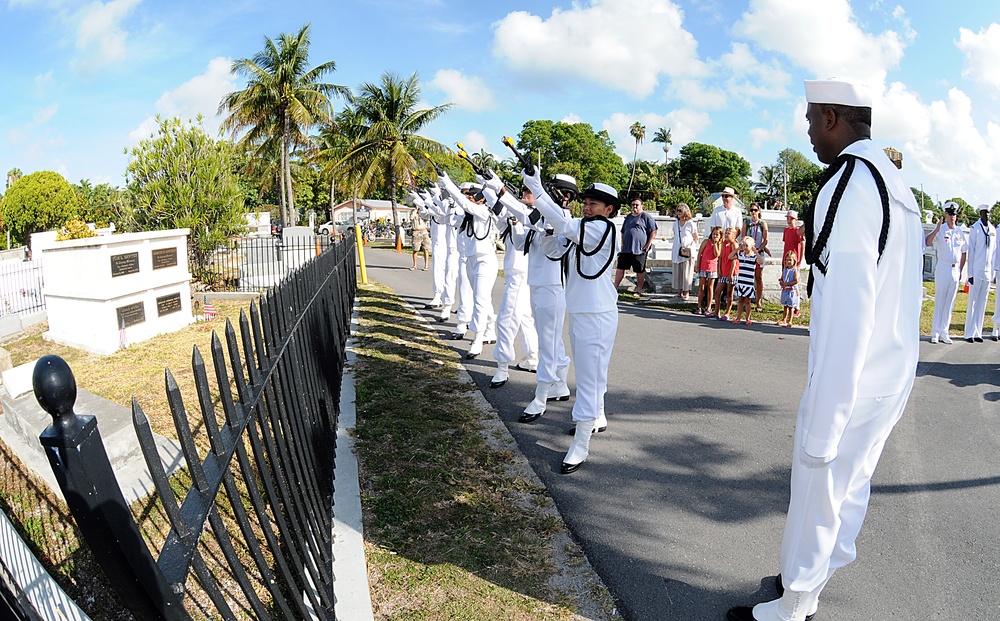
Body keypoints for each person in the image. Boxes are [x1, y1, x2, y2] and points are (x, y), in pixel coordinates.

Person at [726, 77, 923, 621]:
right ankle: (805, 581)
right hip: (890, 372)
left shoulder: (850, 183)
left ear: (832, 117)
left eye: (812, 120)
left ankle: (793, 605)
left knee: (820, 489)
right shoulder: (894, 181)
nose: (809, 133)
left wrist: (827, 416)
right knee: (847, 492)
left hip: (853, 378)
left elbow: (847, 308)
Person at [523, 169, 618, 475]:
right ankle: (598, 416)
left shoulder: (602, 229)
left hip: (597, 314)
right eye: (586, 202)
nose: (587, 207)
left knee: (589, 378)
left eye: (594, 204)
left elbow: (566, 224)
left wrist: (538, 192)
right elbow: (552, 249)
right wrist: (546, 228)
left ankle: (581, 443)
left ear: (609, 210)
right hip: (581, 312)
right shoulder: (582, 228)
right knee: (594, 372)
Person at [482, 175, 575, 420]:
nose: (545, 193)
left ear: (565, 196)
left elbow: (529, 219)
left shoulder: (563, 219)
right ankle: (560, 385)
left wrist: (499, 189)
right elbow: (521, 241)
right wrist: (513, 221)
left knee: (547, 345)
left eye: (552, 190)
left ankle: (540, 398)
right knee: (552, 341)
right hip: (537, 286)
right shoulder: (543, 218)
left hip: (552, 288)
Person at [484, 187, 539, 388]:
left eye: (528, 192)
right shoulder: (518, 213)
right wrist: (489, 190)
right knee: (525, 318)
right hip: (520, 274)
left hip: (519, 275)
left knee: (506, 320)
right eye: (522, 192)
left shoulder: (535, 216)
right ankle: (532, 358)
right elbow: (501, 220)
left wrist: (494, 190)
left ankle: (502, 367)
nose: (524, 195)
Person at [438, 177, 498, 357]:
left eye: (473, 195)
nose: (469, 198)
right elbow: (448, 218)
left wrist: (447, 183)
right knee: (483, 299)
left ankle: (478, 338)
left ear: (482, 198)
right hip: (472, 261)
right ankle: (490, 328)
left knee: (479, 299)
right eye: (469, 195)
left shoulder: (483, 211)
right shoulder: (468, 216)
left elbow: (463, 203)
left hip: (485, 261)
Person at [925, 202, 967, 343]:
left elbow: (964, 252)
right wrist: (936, 229)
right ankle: (935, 332)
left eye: (954, 214)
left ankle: (944, 331)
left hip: (955, 269)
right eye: (949, 214)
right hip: (943, 267)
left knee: (950, 302)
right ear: (945, 215)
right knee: (940, 301)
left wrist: (960, 270)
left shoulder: (959, 232)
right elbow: (927, 242)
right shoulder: (941, 230)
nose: (952, 217)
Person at [963, 205, 994, 343]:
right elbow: (972, 252)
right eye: (984, 213)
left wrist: (992, 273)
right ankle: (969, 333)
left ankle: (977, 332)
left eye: (988, 213)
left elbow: (993, 253)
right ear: (980, 214)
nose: (986, 215)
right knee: (973, 302)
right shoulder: (975, 229)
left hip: (988, 270)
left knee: (982, 302)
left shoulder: (992, 230)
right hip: (977, 269)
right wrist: (970, 274)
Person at [613, 198, 657, 297]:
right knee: (620, 268)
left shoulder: (646, 217)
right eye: (633, 205)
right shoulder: (628, 217)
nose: (635, 207)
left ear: (641, 206)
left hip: (639, 250)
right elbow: (623, 231)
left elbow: (653, 231)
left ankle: (639, 290)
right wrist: (623, 243)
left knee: (639, 270)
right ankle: (615, 287)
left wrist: (648, 244)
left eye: (637, 205)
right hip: (626, 249)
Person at [743, 203, 769, 310]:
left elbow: (765, 240)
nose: (753, 212)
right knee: (747, 277)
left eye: (755, 210)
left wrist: (758, 250)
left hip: (758, 251)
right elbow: (744, 237)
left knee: (758, 277)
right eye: (751, 210)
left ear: (759, 211)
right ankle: (746, 300)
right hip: (749, 253)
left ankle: (758, 301)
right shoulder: (747, 222)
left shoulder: (762, 223)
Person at [671, 203, 699, 300]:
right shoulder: (676, 223)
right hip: (677, 250)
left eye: (680, 211)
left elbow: (695, 237)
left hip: (687, 251)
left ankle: (686, 292)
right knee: (678, 272)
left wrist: (690, 247)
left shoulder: (690, 223)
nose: (678, 212)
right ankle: (679, 292)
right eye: (677, 210)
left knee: (687, 272)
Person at [731, 236, 759, 325]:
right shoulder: (740, 255)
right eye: (743, 245)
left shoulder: (754, 257)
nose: (745, 247)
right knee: (740, 301)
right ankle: (738, 317)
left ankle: (748, 318)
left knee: (747, 302)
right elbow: (730, 257)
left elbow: (761, 261)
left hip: (748, 283)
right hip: (741, 282)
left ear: (751, 246)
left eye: (747, 245)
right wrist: (737, 249)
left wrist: (756, 252)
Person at [714, 227, 739, 320]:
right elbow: (720, 257)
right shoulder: (723, 243)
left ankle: (727, 312)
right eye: (726, 233)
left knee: (729, 292)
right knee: (717, 291)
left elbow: (734, 260)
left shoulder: (734, 244)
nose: (726, 235)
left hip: (731, 272)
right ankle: (716, 311)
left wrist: (731, 274)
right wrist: (719, 270)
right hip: (723, 271)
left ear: (734, 236)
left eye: (729, 233)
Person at [696, 226, 722, 316]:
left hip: (713, 268)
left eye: (717, 234)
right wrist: (698, 265)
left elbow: (717, 255)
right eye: (714, 234)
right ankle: (699, 306)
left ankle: (709, 307)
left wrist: (715, 244)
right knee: (702, 287)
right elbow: (700, 253)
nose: (715, 236)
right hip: (703, 266)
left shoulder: (719, 245)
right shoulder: (706, 242)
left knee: (710, 288)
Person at [777, 250, 800, 328]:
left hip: (791, 291)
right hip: (785, 290)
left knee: (791, 307)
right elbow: (782, 278)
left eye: (790, 260)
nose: (788, 262)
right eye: (787, 260)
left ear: (794, 261)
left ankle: (790, 320)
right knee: (785, 306)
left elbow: (796, 281)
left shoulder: (794, 270)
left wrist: (788, 283)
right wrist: (781, 281)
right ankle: (784, 319)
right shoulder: (785, 269)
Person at [409, 203, 431, 270]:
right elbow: (411, 218)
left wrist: (422, 210)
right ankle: (414, 265)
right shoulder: (413, 212)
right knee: (415, 249)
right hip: (416, 231)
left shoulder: (423, 212)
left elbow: (427, 218)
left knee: (426, 249)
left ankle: (426, 265)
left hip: (424, 231)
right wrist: (416, 210)